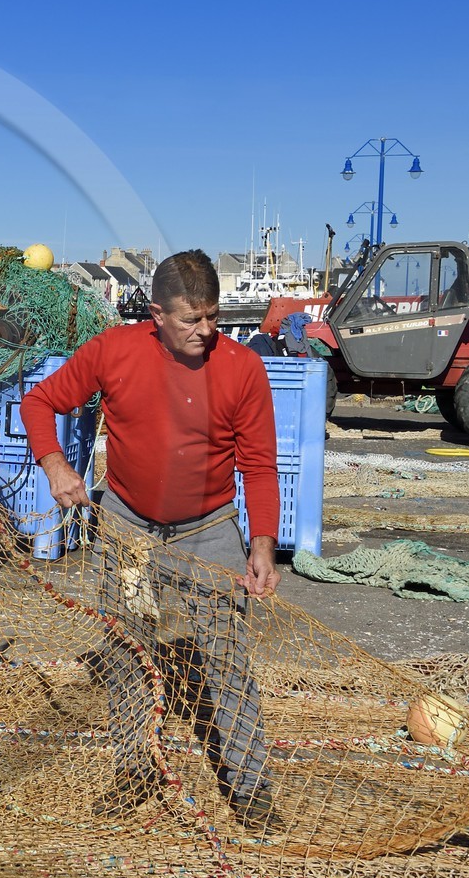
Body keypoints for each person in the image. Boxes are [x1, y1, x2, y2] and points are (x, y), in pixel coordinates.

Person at [19, 250, 283, 833]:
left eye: (213, 317)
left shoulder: (242, 368)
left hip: (208, 530)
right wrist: (56, 465)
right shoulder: (115, 350)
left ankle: (250, 787)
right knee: (127, 650)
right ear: (156, 314)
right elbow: (38, 402)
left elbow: (259, 467)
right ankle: (135, 766)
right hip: (128, 527)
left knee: (226, 659)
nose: (205, 331)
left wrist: (261, 545)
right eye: (191, 320)